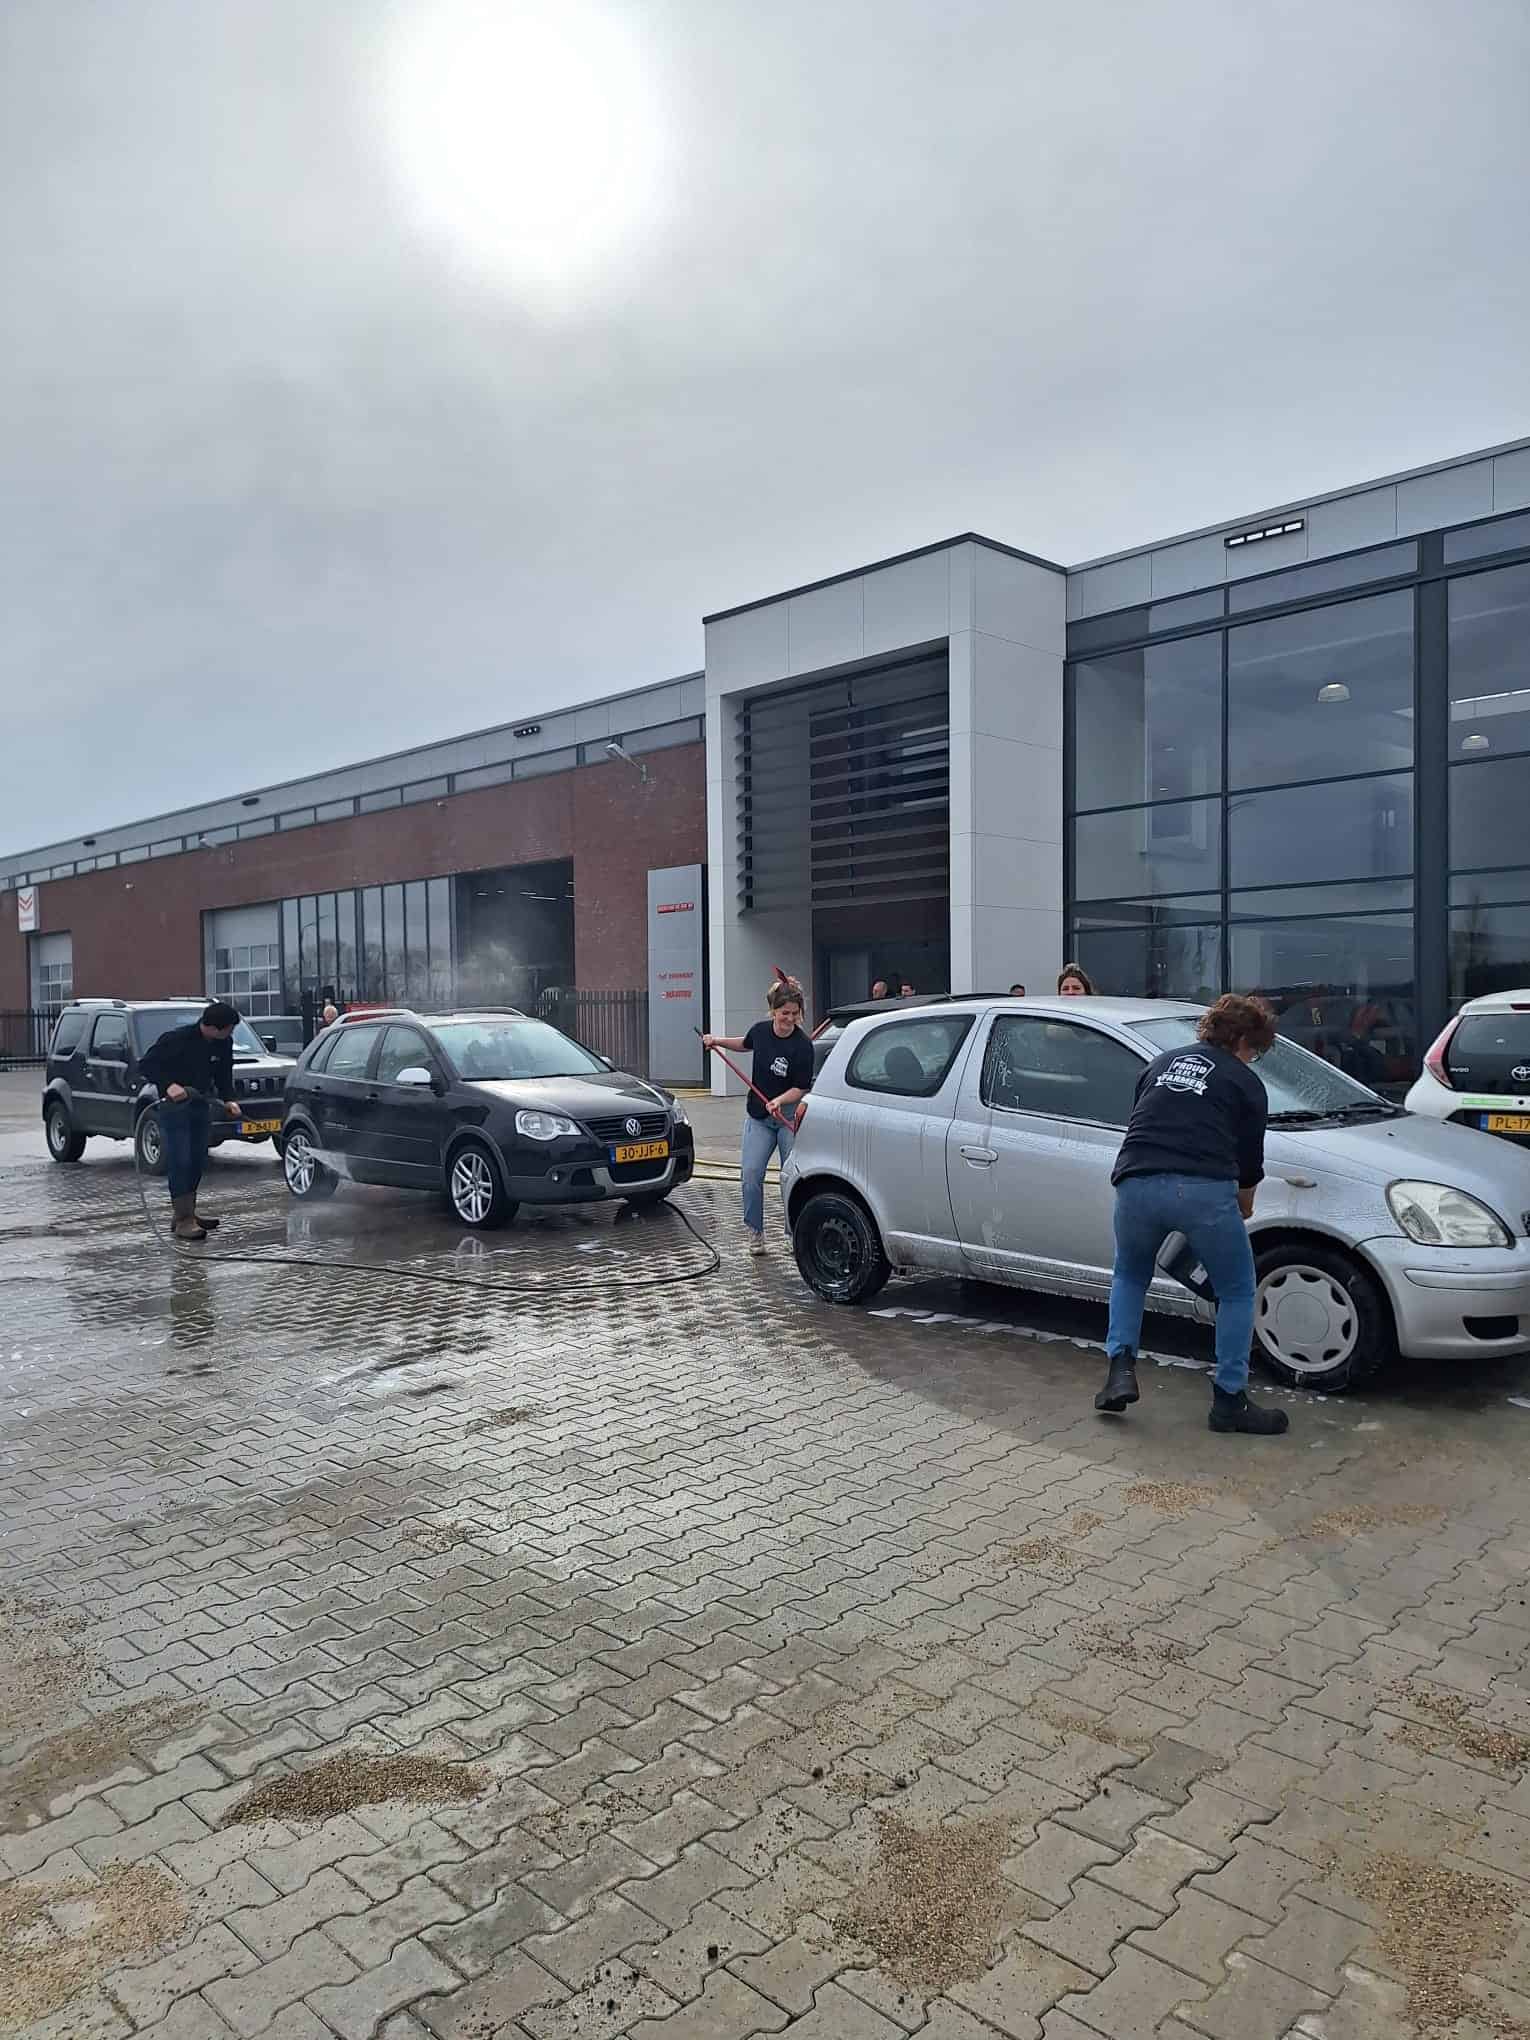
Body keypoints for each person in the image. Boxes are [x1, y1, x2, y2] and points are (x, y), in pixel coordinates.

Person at [1094, 993, 1288, 1436]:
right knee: (1237, 1290)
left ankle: (1119, 1372)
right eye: (1254, 1049)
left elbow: (1145, 1119)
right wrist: (1243, 1202)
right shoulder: (1244, 1082)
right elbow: (1249, 1161)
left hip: (1135, 1181)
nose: (1253, 1058)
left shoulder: (1161, 1063)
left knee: (1129, 1275)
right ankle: (1229, 1400)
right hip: (1202, 1187)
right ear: (1240, 1038)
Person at [702, 979, 814, 1257]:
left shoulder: (803, 1045)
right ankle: (755, 1232)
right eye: (784, 1012)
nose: (789, 1018)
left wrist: (779, 1100)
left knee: (792, 1179)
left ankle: (794, 1233)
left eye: (794, 1013)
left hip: (788, 1118)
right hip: (759, 1117)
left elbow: (801, 1087)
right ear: (773, 1011)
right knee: (751, 1175)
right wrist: (716, 1041)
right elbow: (744, 1043)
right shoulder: (760, 1032)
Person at [138, 1001, 243, 1242]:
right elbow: (146, 1065)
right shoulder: (177, 1039)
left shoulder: (223, 1043)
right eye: (228, 1029)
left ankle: (188, 1213)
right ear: (214, 1027)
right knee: (181, 1158)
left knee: (197, 1158)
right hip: (174, 1108)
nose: (230, 1034)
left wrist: (229, 1099)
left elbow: (224, 1073)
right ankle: (183, 1220)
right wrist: (168, 1085)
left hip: (200, 1105)